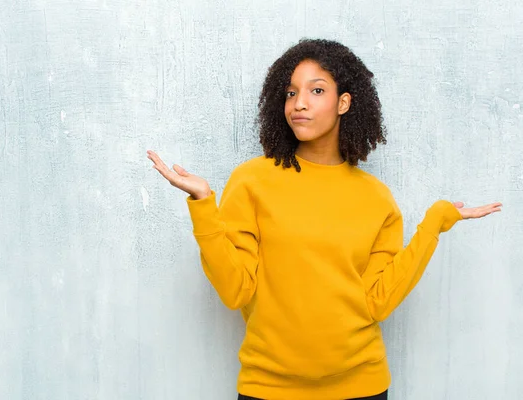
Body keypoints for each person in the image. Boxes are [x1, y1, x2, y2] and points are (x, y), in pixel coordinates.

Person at [147, 38, 501, 400]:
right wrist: (203, 203)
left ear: (344, 102)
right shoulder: (252, 180)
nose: (299, 103)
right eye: (290, 93)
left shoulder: (376, 198)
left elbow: (378, 301)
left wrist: (435, 224)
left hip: (362, 387)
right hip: (268, 389)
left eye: (317, 90)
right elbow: (235, 289)